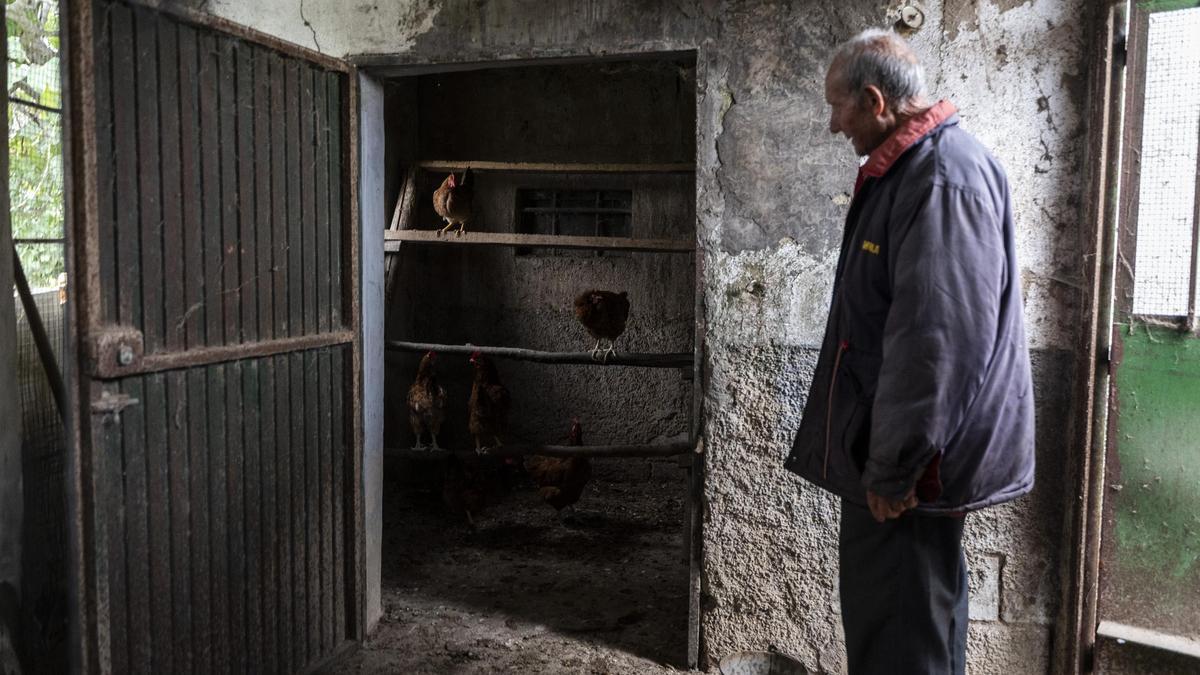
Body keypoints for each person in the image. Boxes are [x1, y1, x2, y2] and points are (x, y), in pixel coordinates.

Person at [784, 28, 1035, 675]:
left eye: (837, 105)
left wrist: (894, 468)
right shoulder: (915, 171)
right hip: (902, 454)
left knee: (898, 633)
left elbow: (936, 340)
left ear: (874, 100)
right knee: (917, 624)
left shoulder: (942, 177)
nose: (833, 124)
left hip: (907, 469)